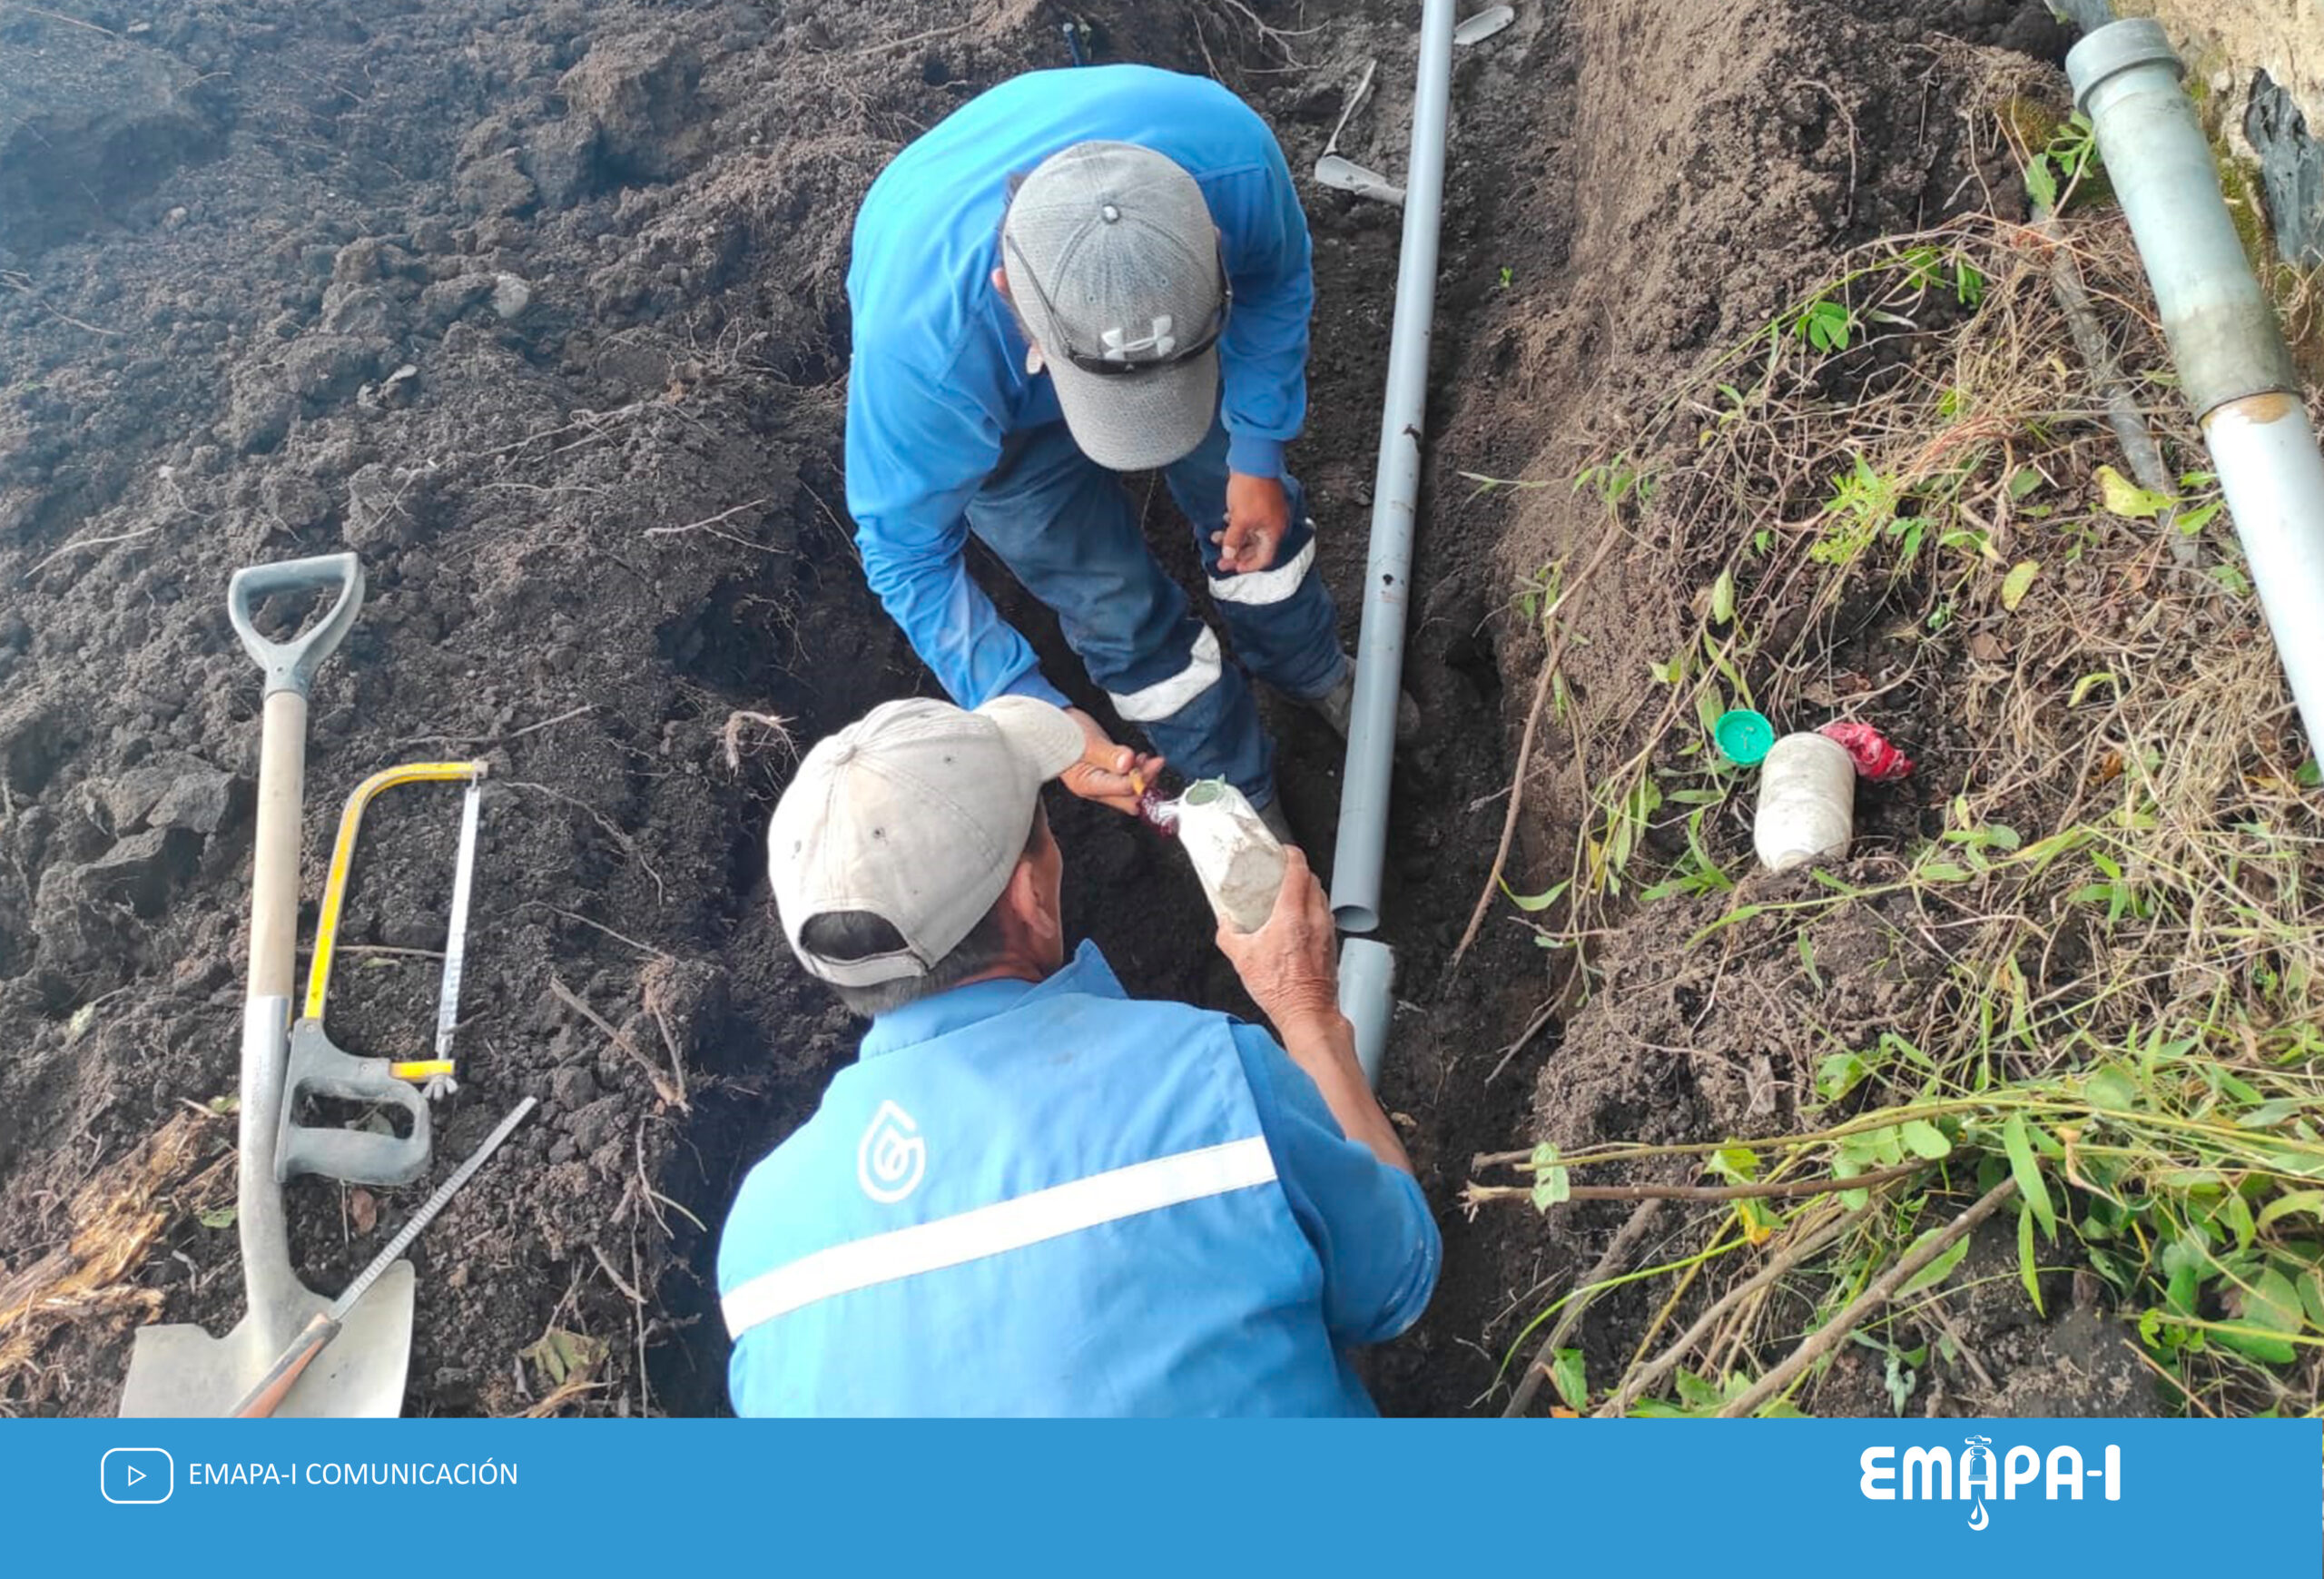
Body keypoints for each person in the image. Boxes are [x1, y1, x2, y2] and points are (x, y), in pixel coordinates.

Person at [717, 695, 1441, 1416]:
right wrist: (1308, 1014)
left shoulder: (758, 1259)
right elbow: (1395, 1279)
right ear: (1032, 893)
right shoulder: (1212, 1083)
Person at [842, 62, 1415, 845]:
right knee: (1108, 599)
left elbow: (1278, 282)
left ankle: (1313, 667)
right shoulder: (928, 361)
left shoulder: (1231, 162)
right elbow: (906, 555)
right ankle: (1239, 795)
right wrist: (1028, 708)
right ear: (1011, 292)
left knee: (1248, 508)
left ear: (1211, 249)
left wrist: (1254, 449)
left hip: (1153, 313)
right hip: (997, 402)